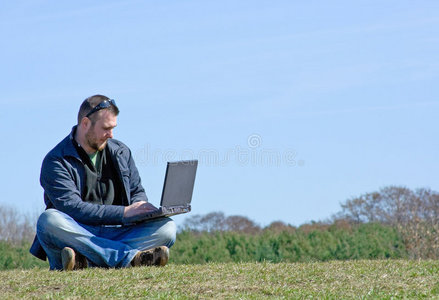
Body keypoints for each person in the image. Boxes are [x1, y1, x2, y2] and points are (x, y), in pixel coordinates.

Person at [30, 95, 176, 270]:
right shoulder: (56, 161)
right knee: (49, 221)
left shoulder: (121, 151)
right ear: (85, 124)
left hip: (117, 233)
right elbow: (73, 208)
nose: (111, 134)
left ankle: (86, 261)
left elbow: (136, 189)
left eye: (113, 128)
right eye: (106, 128)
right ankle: (130, 259)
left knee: (167, 228)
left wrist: (140, 207)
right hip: (79, 233)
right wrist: (125, 212)